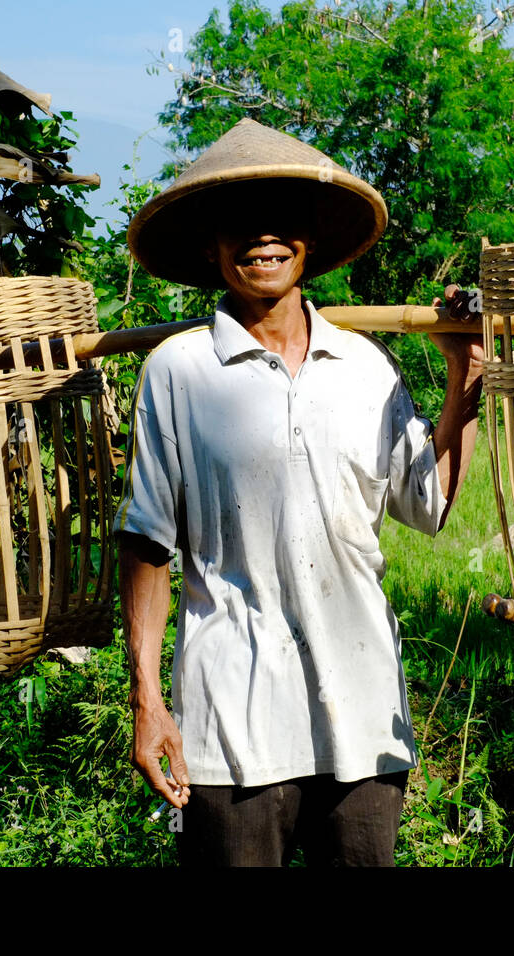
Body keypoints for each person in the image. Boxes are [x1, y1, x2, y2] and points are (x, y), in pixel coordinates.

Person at [115, 118, 483, 866]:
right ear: (212, 248)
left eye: (282, 222)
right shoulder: (178, 372)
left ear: (309, 241)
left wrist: (463, 379)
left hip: (361, 716)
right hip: (230, 726)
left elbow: (430, 503)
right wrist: (148, 701)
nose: (263, 239)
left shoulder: (366, 365)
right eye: (240, 226)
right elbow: (149, 542)